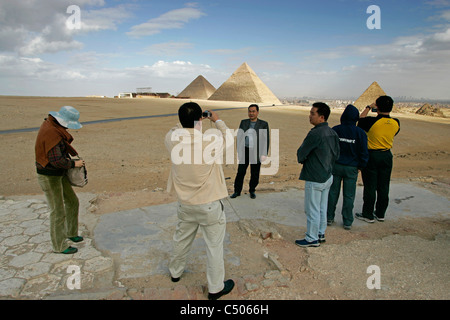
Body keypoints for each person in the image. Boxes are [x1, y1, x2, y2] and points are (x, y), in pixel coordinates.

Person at [165, 102, 234, 300]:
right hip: (209, 204)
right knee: (214, 246)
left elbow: (175, 129)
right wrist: (217, 119)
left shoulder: (171, 139)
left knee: (181, 239)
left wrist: (188, 122)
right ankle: (215, 288)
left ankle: (175, 272)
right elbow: (228, 137)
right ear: (200, 119)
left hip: (185, 204)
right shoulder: (209, 143)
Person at [35, 106, 85, 254]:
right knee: (57, 211)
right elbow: (56, 160)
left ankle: (71, 232)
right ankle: (59, 245)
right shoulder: (52, 134)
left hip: (58, 173)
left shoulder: (52, 127)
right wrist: (74, 164)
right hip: (49, 175)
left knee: (72, 201)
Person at [296, 103, 340, 247]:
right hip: (328, 176)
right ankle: (320, 233)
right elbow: (337, 155)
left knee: (312, 209)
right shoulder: (333, 133)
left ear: (321, 117)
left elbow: (301, 153)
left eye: (312, 113)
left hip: (315, 177)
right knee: (322, 208)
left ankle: (311, 238)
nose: (310, 115)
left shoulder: (315, 133)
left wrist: (305, 159)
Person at [356, 96, 400, 223]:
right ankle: (380, 213)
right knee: (384, 186)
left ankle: (368, 214)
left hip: (372, 156)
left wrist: (369, 107)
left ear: (378, 107)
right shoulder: (396, 123)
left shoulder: (371, 122)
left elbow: (360, 120)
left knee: (370, 186)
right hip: (387, 156)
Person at [327, 104, 369, 230]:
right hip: (351, 168)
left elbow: (329, 148)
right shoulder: (360, 133)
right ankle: (347, 221)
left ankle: (329, 217)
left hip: (336, 166)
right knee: (349, 195)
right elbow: (364, 152)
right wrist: (361, 166)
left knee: (332, 193)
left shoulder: (335, 130)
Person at [230, 104, 269, 199]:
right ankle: (237, 191)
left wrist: (264, 154)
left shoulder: (263, 124)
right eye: (249, 111)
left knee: (255, 173)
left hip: (256, 152)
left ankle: (252, 190)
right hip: (245, 150)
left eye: (253, 111)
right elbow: (239, 137)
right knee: (240, 172)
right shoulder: (243, 122)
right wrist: (239, 151)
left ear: (257, 112)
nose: (251, 113)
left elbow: (266, 139)